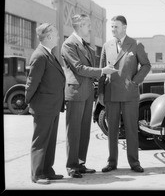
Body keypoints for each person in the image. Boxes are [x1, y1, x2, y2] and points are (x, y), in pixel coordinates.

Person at [61, 14, 117, 178]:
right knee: (73, 131)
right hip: (76, 92)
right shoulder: (68, 44)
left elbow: (90, 66)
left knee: (84, 130)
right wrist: (102, 71)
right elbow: (78, 68)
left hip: (86, 92)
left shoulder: (84, 44)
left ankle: (80, 163)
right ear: (78, 25)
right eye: (87, 25)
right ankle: (72, 166)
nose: (90, 28)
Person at [100, 15, 151, 173]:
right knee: (112, 130)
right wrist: (101, 93)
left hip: (129, 94)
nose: (113, 29)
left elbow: (146, 65)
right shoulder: (106, 46)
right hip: (111, 94)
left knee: (130, 129)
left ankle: (134, 162)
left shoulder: (135, 45)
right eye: (112, 27)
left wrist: (135, 81)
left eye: (116, 26)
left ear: (124, 27)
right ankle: (112, 162)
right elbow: (101, 71)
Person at [25, 23, 65, 185]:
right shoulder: (39, 56)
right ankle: (37, 174)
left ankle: (47, 170)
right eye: (55, 34)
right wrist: (30, 103)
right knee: (41, 141)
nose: (58, 37)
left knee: (49, 141)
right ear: (48, 36)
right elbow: (31, 83)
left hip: (52, 106)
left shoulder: (49, 53)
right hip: (43, 106)